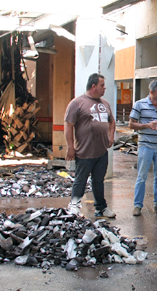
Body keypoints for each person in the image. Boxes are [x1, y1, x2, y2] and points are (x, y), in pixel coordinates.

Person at [64, 73, 116, 219]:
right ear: (93, 86)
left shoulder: (105, 103)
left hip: (101, 151)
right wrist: (70, 147)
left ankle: (101, 207)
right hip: (84, 151)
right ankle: (74, 206)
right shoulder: (77, 103)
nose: (104, 88)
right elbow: (68, 125)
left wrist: (111, 137)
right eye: (102, 85)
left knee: (99, 181)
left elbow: (112, 121)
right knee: (80, 180)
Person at [129, 80, 157, 216]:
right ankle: (137, 205)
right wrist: (147, 125)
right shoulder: (139, 104)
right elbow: (131, 124)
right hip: (145, 145)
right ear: (152, 92)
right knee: (142, 176)